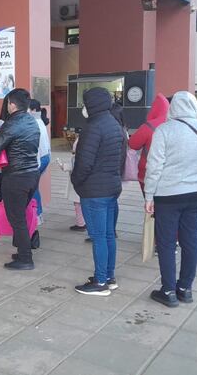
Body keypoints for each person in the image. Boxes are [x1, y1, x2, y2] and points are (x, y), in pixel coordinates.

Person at [144, 91, 197, 307]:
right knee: (190, 240)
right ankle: (185, 289)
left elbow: (154, 167)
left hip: (167, 195)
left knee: (167, 243)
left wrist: (149, 195)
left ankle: (168, 290)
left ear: (173, 107)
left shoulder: (164, 130)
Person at [72, 87, 126, 296]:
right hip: (112, 187)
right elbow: (121, 159)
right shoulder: (114, 124)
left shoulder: (92, 128)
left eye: (85, 103)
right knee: (108, 235)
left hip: (94, 192)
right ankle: (108, 277)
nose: (83, 108)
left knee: (99, 237)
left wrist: (77, 182)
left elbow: (83, 163)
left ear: (92, 105)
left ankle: (101, 282)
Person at [0, 89, 39, 270]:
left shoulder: (11, 124)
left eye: (8, 103)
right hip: (32, 174)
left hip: (16, 177)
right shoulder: (33, 121)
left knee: (17, 218)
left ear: (12, 104)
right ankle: (23, 250)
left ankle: (25, 258)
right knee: (20, 215)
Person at [128, 94, 170, 194]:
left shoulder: (149, 126)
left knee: (151, 206)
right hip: (172, 176)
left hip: (148, 174)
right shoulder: (176, 124)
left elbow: (133, 144)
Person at [28, 99, 51, 223]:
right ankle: (38, 214)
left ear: (34, 110)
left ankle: (36, 215)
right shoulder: (39, 121)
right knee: (34, 187)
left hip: (39, 159)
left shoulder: (34, 122)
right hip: (45, 157)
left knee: (32, 188)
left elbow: (35, 145)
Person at [57, 138, 86, 231]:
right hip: (85, 187)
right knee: (85, 205)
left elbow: (68, 167)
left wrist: (61, 164)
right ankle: (85, 221)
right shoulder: (87, 158)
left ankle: (80, 224)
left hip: (76, 187)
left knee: (78, 205)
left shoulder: (75, 159)